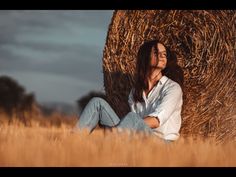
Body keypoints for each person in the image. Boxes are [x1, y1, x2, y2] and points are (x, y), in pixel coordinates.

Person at [73, 40, 183, 142]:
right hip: (138, 139)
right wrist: (126, 129)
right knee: (97, 103)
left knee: (132, 118)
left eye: (164, 54)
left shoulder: (172, 88)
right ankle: (72, 142)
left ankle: (105, 147)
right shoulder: (136, 91)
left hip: (162, 144)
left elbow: (155, 121)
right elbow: (133, 126)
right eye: (156, 52)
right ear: (145, 57)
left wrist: (120, 129)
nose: (162, 56)